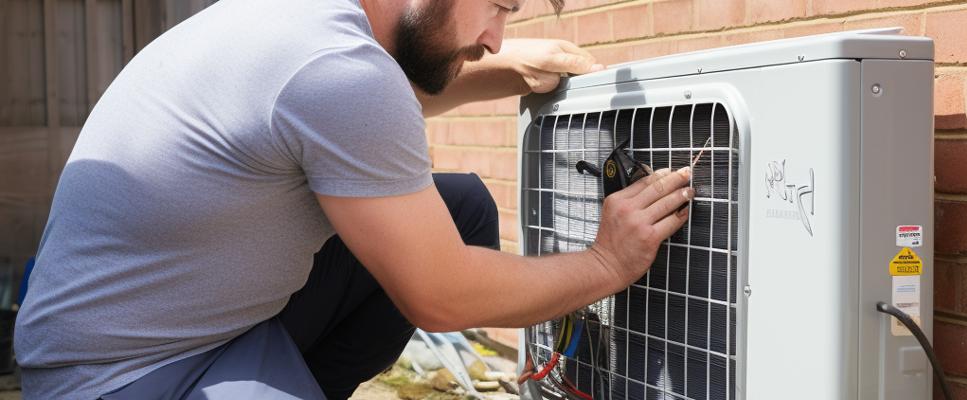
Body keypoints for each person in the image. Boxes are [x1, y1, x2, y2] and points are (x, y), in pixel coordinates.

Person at [14, 0, 694, 398]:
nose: (495, 38)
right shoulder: (335, 69)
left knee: (459, 206)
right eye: (497, 7)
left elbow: (362, 112)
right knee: (441, 253)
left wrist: (505, 71)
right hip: (118, 381)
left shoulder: (297, 24)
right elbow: (443, 296)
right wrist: (608, 263)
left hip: (172, 327)